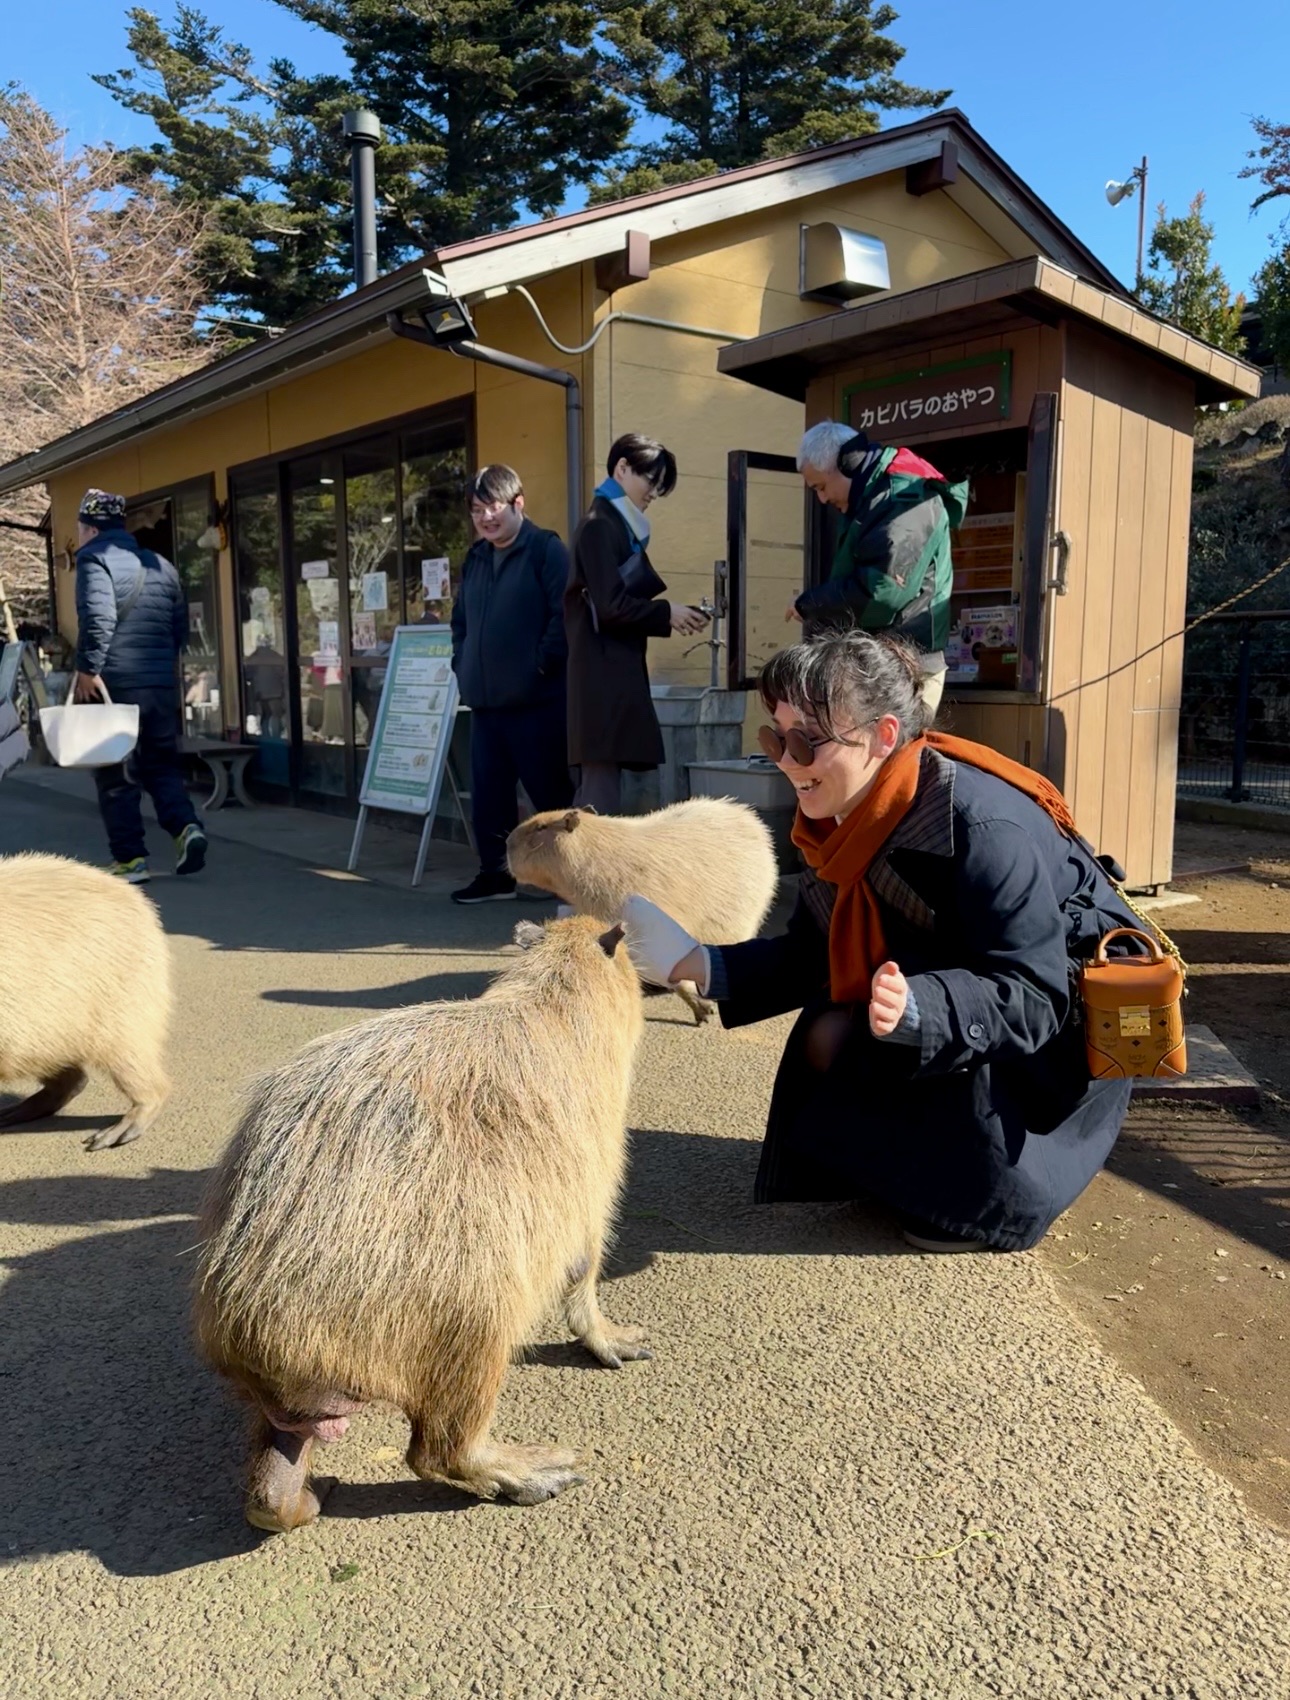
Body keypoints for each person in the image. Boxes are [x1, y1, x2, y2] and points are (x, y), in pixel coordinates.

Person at [623, 630, 1146, 1254]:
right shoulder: (838, 816)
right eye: (775, 737)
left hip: (1052, 1050)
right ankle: (910, 1166)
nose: (785, 761)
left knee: (865, 1036)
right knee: (830, 1032)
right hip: (950, 989)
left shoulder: (981, 826)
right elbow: (816, 950)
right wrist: (697, 963)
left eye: (806, 741)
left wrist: (926, 1005)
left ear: (885, 736)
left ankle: (986, 1201)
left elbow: (1036, 992)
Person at [449, 465, 574, 904]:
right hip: (485, 702)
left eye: (493, 507)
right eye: (477, 510)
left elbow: (565, 617)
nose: (485, 518)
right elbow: (460, 621)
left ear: (517, 504)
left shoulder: (546, 550)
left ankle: (571, 880)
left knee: (551, 795)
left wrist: (540, 667)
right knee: (490, 797)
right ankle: (496, 876)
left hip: (537, 701)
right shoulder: (476, 557)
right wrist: (460, 662)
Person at [565, 433, 708, 814]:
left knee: (599, 786)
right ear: (622, 468)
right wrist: (667, 613)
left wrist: (668, 613)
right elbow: (610, 606)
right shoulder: (600, 526)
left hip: (606, 672)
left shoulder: (613, 524)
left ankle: (582, 869)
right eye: (650, 480)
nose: (654, 492)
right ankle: (588, 873)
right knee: (598, 795)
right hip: (601, 675)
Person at [72, 488, 207, 884]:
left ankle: (130, 860)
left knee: (117, 772)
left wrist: (87, 669)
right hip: (160, 685)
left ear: (89, 528)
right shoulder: (163, 566)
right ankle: (186, 828)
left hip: (116, 683)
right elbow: (179, 629)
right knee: (161, 763)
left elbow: (97, 620)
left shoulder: (93, 559)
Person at [789, 421, 967, 717]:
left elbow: (882, 593)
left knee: (893, 759)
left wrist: (812, 603)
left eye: (821, 486)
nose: (822, 499)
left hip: (908, 665)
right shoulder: (875, 497)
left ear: (847, 463)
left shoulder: (902, 497)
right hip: (884, 659)